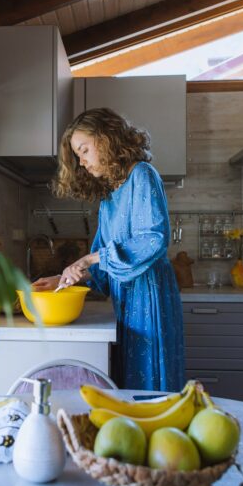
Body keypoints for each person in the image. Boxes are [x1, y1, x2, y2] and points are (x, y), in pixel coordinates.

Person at [32, 108, 185, 392]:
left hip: (149, 296)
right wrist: (65, 278)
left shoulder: (142, 175)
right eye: (78, 156)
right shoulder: (110, 196)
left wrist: (87, 258)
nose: (82, 162)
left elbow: (153, 239)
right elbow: (104, 266)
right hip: (126, 300)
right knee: (129, 380)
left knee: (150, 380)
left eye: (84, 150)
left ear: (105, 138)